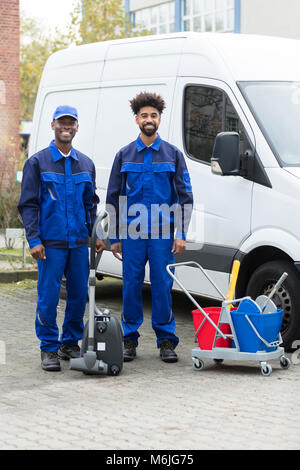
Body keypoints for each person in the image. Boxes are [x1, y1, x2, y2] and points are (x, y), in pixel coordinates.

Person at [106, 92, 193, 363]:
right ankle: (129, 340)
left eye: (153, 115)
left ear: (159, 119)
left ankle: (166, 340)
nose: (149, 119)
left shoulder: (173, 155)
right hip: (132, 235)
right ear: (136, 119)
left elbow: (185, 197)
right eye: (144, 115)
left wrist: (180, 233)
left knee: (162, 286)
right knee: (130, 287)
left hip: (162, 235)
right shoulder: (124, 155)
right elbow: (113, 198)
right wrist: (114, 237)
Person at [18, 105, 105, 371]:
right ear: (53, 125)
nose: (66, 127)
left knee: (78, 295)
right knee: (48, 296)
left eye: (71, 123)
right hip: (50, 245)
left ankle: (69, 343)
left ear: (77, 127)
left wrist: (97, 235)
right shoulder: (37, 162)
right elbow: (28, 205)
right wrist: (34, 240)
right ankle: (48, 348)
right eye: (61, 122)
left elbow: (91, 204)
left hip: (79, 243)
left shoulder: (86, 164)